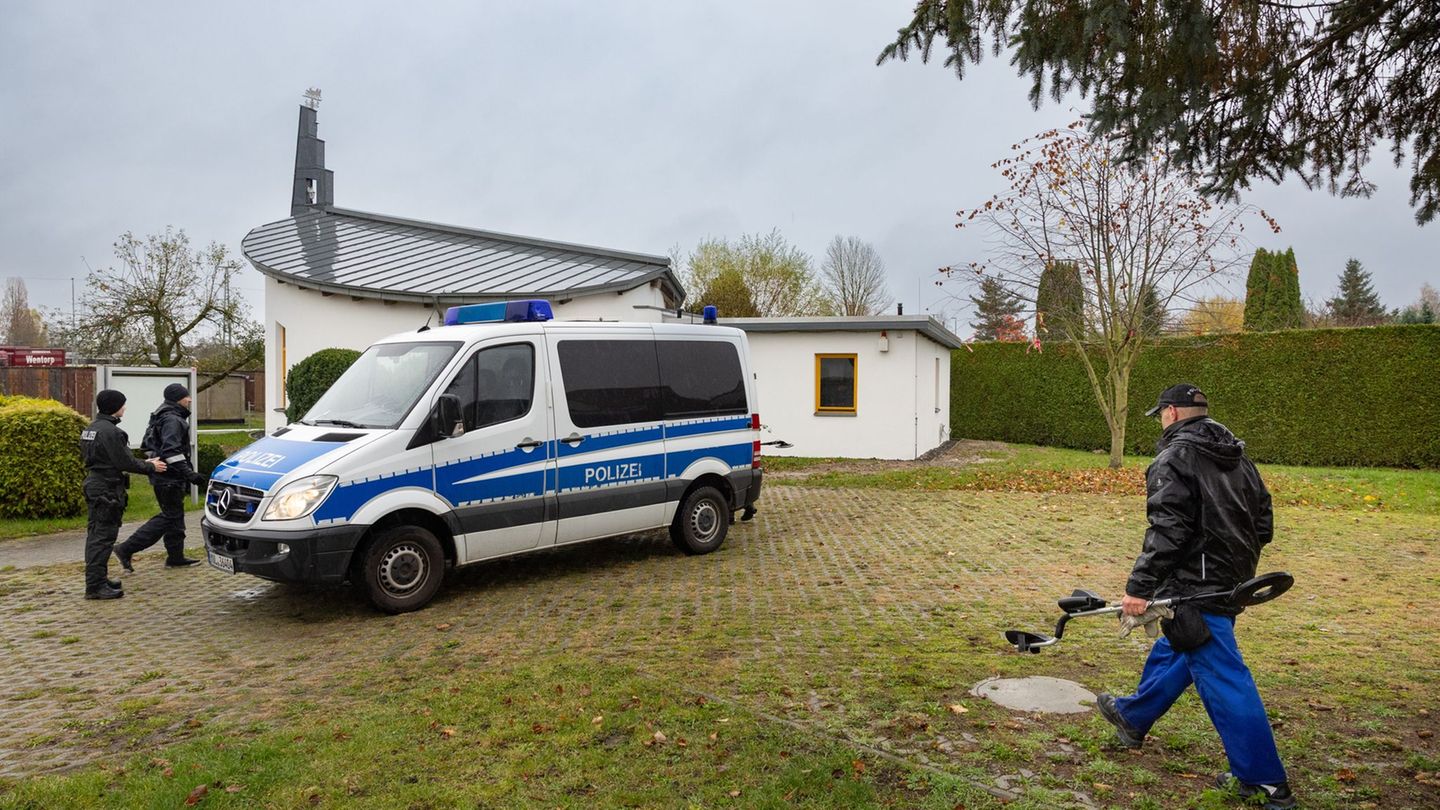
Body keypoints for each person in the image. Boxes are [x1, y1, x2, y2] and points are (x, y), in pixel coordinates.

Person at [1095, 383, 1295, 809]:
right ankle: (1133, 717)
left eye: (1161, 413)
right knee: (1179, 648)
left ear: (1169, 413)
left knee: (1223, 677)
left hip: (1195, 588)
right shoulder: (1239, 457)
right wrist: (1234, 560)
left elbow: (1168, 529)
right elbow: (1264, 523)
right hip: (1233, 579)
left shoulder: (1173, 459)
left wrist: (1139, 588)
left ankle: (1264, 781)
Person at [80, 390, 166, 599]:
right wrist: (150, 466)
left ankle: (98, 579)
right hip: (106, 488)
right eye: (122, 404)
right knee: (103, 537)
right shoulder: (112, 432)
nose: (125, 408)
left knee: (96, 534)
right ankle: (95, 587)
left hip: (95, 483)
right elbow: (124, 462)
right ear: (115, 406)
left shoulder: (90, 429)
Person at [114, 383, 207, 571]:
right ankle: (126, 548)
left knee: (175, 516)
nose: (189, 400)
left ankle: (175, 557)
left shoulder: (160, 415)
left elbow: (150, 446)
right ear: (178, 399)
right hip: (169, 478)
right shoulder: (173, 419)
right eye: (186, 396)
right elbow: (171, 451)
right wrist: (189, 474)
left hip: (165, 476)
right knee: (169, 517)